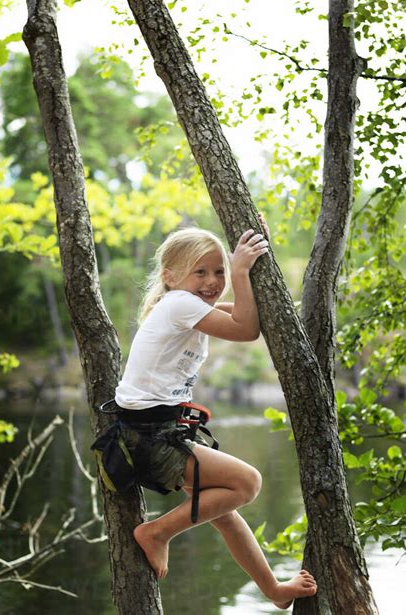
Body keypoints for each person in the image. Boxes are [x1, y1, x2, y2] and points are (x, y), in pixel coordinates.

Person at [113, 221, 317, 609]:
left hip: (155, 432)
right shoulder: (179, 304)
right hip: (147, 438)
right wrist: (240, 269)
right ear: (170, 277)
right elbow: (246, 329)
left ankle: (272, 590)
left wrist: (251, 250)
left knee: (223, 509)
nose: (212, 281)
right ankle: (156, 532)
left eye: (219, 271)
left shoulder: (188, 306)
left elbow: (241, 310)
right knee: (247, 484)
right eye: (200, 272)